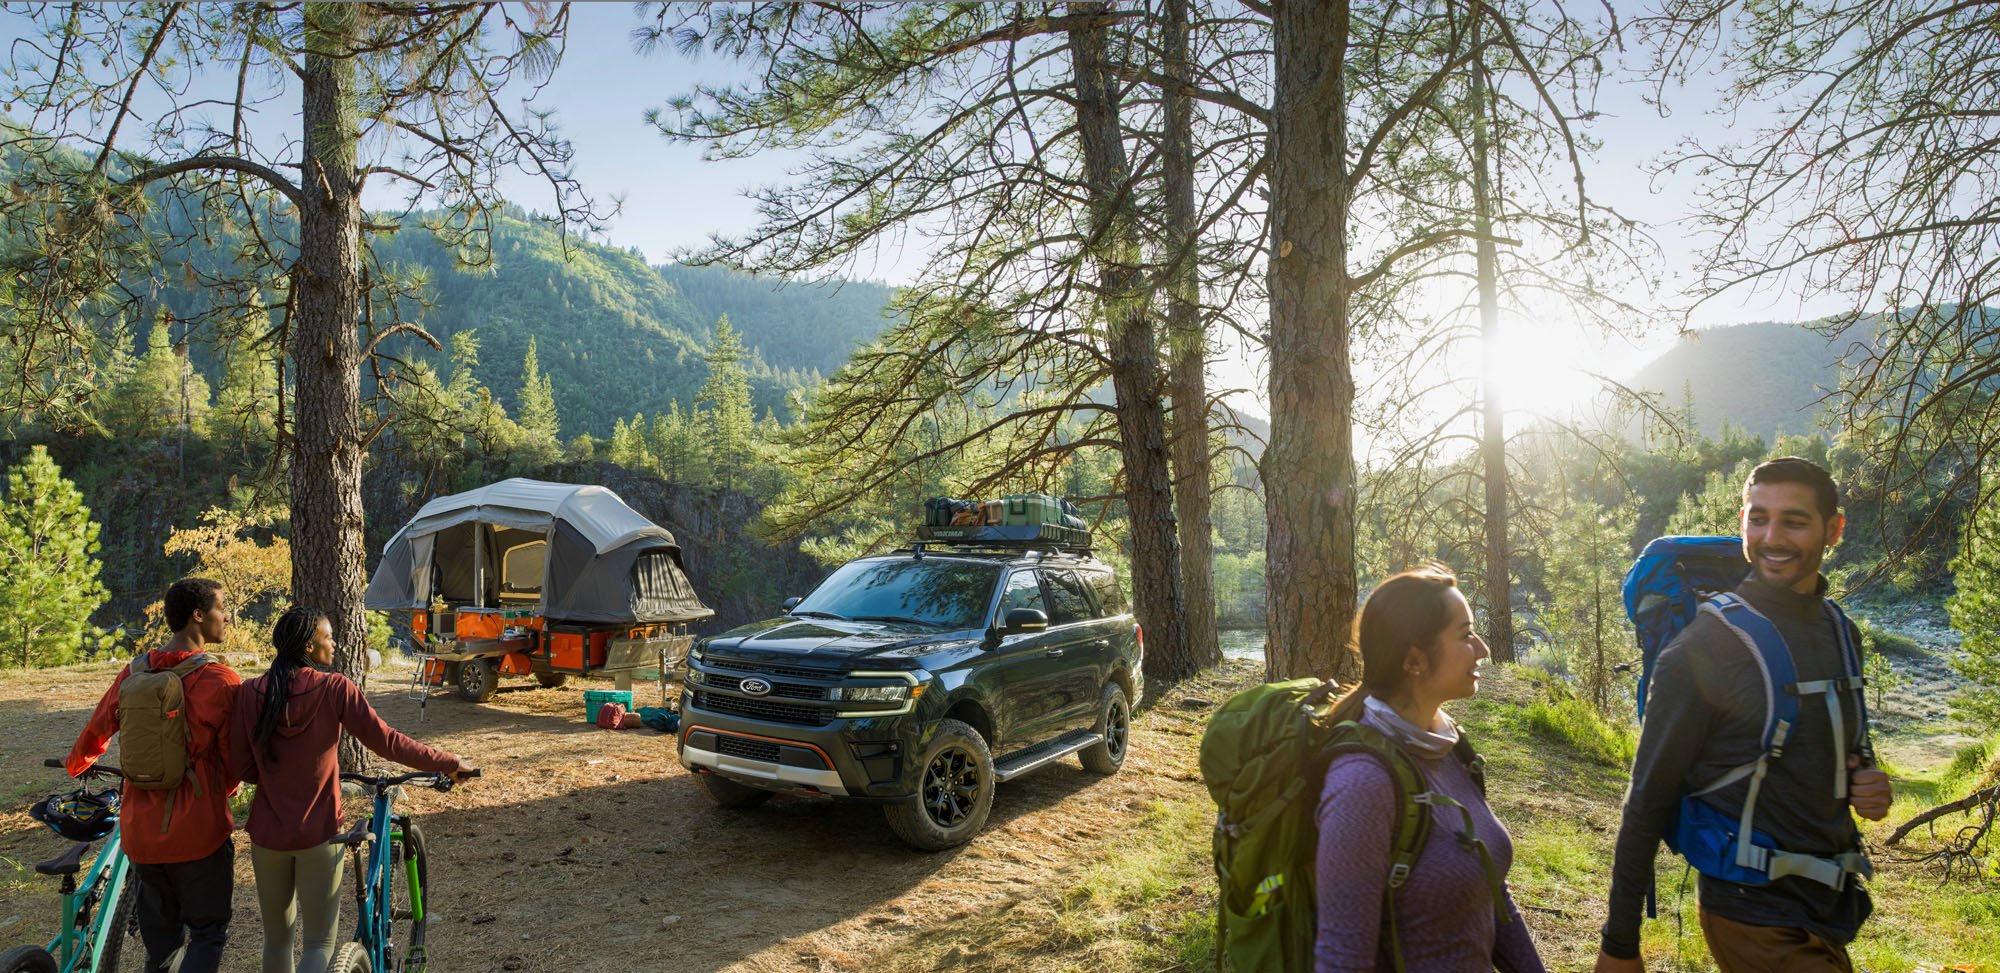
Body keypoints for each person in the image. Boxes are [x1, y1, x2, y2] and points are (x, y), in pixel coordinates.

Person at [1596, 457, 1894, 972]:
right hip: (1751, 911)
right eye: (1758, 519)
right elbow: (1646, 799)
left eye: (1793, 521)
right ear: (1742, 523)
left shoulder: (1841, 632)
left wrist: (1867, 782)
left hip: (1827, 909)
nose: (1771, 537)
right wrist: (1619, 946)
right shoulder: (1705, 647)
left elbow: (1829, 753)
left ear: (1833, 530)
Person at [1315, 566, 1545, 972]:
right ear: (1415, 660)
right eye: (1465, 635)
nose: (1482, 649)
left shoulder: (1447, 744)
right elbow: (1342, 959)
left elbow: (1490, 892)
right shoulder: (1362, 784)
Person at [228, 606, 476, 973]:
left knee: (277, 941)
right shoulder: (334, 688)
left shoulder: (250, 691)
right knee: (318, 944)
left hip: (267, 836)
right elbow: (387, 742)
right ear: (309, 646)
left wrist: (275, 780)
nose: (335, 644)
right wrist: (448, 762)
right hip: (319, 832)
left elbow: (239, 765)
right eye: (328, 637)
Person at [66, 577, 243, 973]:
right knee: (207, 934)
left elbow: (97, 730)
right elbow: (232, 761)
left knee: (161, 946)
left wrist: (76, 765)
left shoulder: (134, 672)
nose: (227, 616)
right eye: (221, 608)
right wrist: (225, 792)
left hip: (141, 834)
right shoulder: (221, 680)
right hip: (199, 832)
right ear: (198, 616)